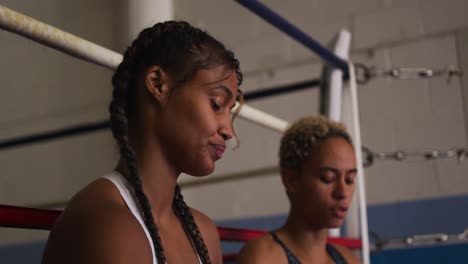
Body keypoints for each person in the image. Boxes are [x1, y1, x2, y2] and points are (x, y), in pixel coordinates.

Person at [42, 21, 243, 264]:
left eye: (229, 111)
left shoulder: (204, 232)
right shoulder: (108, 224)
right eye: (216, 104)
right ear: (158, 84)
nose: (228, 130)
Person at [237, 116, 361, 264]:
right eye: (327, 178)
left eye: (350, 180)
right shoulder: (265, 256)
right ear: (290, 180)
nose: (343, 192)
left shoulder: (349, 259)